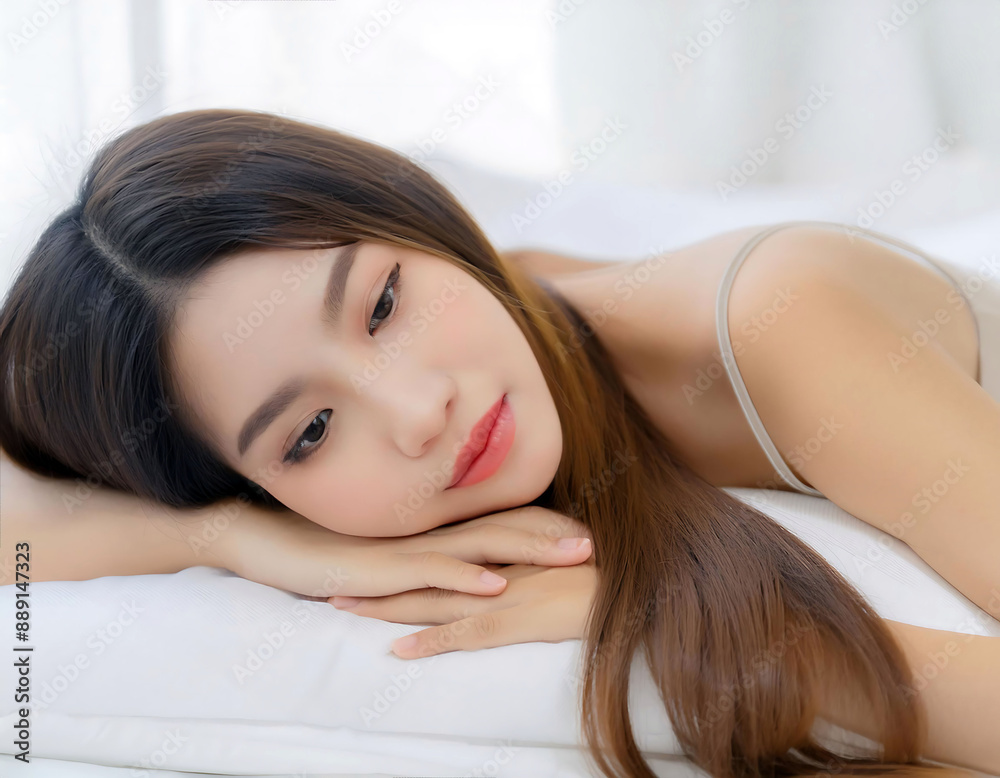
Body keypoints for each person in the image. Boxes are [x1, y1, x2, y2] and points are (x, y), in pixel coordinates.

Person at [1, 108, 997, 778]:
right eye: (307, 432)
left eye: (383, 303)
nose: (414, 411)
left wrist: (687, 626)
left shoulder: (783, 319)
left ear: (421, 221)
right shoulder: (297, 489)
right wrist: (228, 540)